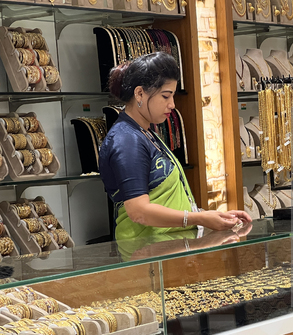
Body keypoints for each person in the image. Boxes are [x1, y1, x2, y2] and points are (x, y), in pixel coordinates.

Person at [99, 52, 251, 242]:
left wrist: (211, 217)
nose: (172, 105)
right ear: (139, 93)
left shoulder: (146, 134)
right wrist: (199, 218)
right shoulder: (127, 140)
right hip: (146, 254)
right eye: (165, 96)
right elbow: (139, 212)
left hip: (164, 249)